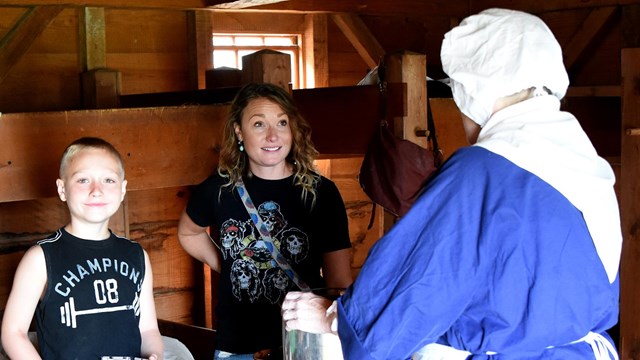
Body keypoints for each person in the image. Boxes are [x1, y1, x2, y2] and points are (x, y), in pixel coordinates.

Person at [281, 8, 622, 360]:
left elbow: (415, 287)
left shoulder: (480, 172)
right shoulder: (586, 164)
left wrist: (332, 318)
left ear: (477, 88)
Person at [177, 82, 353, 359]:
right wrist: (227, 264)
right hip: (237, 345)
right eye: (259, 124)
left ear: (293, 129)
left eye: (282, 123)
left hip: (302, 342)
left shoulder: (320, 192)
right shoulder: (219, 190)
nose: (273, 136)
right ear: (239, 131)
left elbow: (338, 282)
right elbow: (188, 233)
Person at [1, 137, 164, 360]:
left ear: (123, 189)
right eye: (83, 180)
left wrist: (155, 354)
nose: (96, 190)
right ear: (62, 189)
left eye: (108, 180)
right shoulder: (40, 258)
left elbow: (148, 330)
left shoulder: (137, 256)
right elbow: (13, 333)